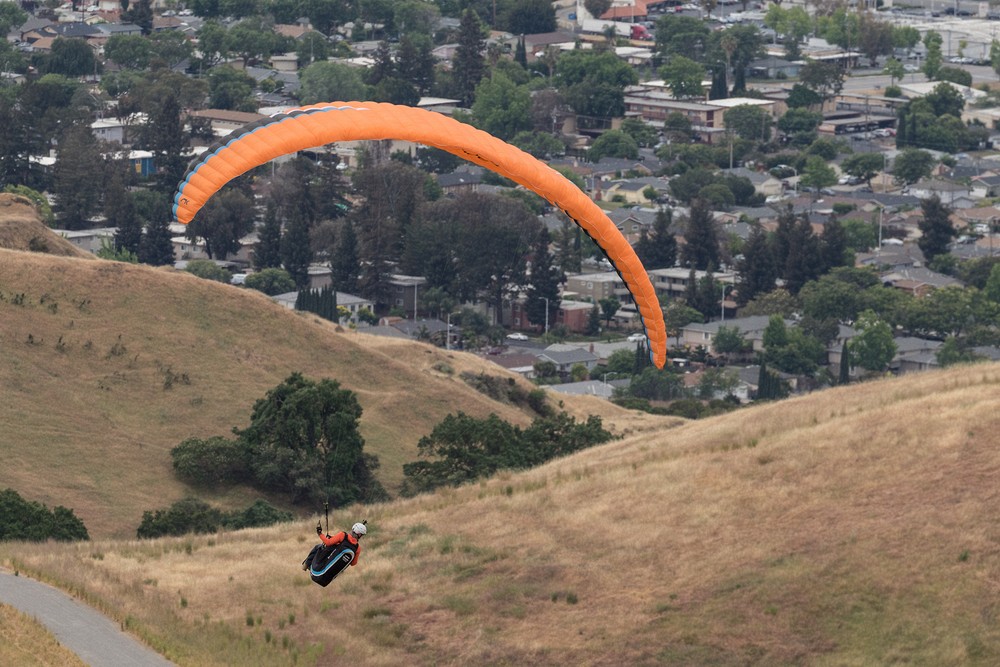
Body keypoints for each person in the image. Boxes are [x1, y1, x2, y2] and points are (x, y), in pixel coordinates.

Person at [302, 522, 367, 570]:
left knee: (318, 547)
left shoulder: (343, 535)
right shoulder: (357, 548)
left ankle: (306, 565)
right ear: (360, 535)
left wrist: (320, 534)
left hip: (330, 555)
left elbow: (328, 543)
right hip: (336, 568)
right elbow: (353, 563)